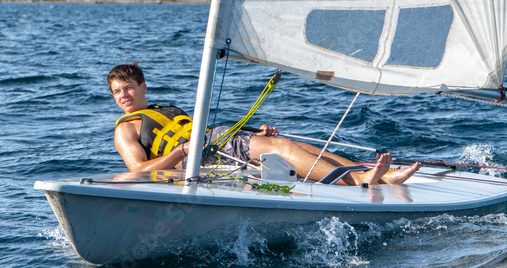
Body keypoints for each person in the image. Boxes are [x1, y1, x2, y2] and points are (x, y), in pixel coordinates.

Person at [107, 63, 419, 186]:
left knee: (300, 148)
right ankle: (360, 181)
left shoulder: (165, 108)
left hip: (216, 141)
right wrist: (182, 152)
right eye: (117, 91)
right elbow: (137, 171)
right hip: (196, 156)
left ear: (143, 87)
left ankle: (377, 175)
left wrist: (255, 134)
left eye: (128, 87)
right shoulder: (127, 128)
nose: (123, 95)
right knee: (282, 149)